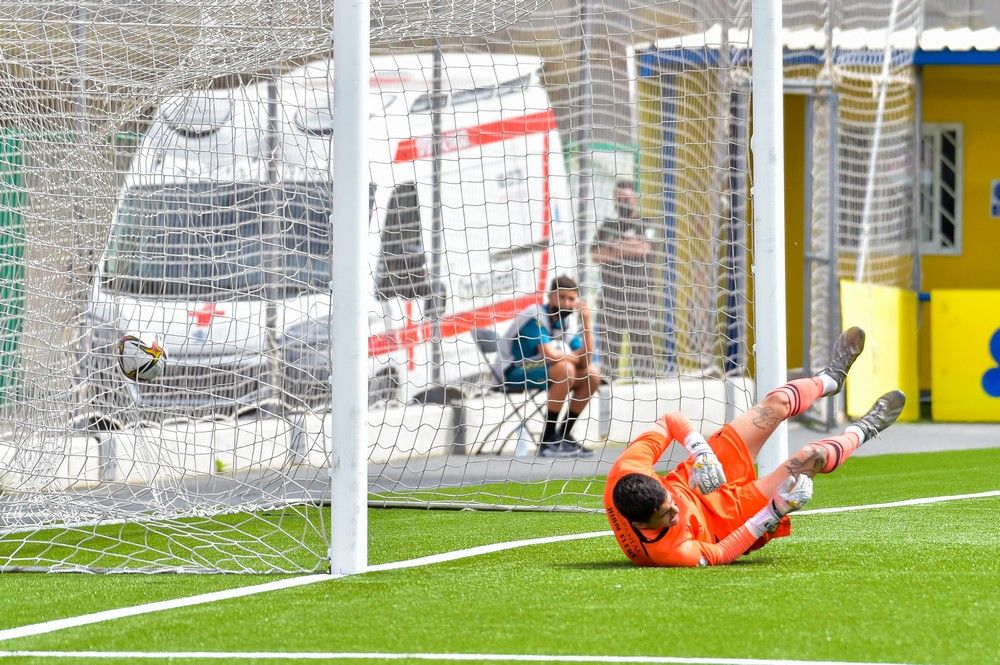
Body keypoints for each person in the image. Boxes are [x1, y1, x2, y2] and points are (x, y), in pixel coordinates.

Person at [603, 326, 906, 566]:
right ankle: (863, 430)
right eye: (667, 517)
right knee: (810, 456)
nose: (674, 513)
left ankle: (830, 379)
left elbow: (670, 420)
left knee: (777, 403)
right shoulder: (669, 553)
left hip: (695, 479)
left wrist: (701, 451)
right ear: (641, 524)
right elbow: (722, 553)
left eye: (669, 503)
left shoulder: (626, 470)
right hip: (727, 519)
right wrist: (773, 513)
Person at [496, 275, 603, 459]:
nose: (566, 303)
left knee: (592, 374)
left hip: (545, 371)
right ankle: (547, 440)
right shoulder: (535, 315)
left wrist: (586, 322)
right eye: (561, 297)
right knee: (566, 369)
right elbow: (550, 355)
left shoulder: (566, 323)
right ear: (550, 297)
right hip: (512, 372)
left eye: (571, 299)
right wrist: (575, 357)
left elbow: (586, 361)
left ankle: (563, 436)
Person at [590, 179, 657, 379]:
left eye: (626, 198)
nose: (622, 202)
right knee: (609, 360)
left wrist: (614, 246)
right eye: (618, 198)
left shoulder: (647, 223)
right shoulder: (607, 226)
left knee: (643, 358)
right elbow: (595, 255)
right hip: (612, 299)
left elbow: (645, 249)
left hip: (640, 298)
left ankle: (646, 387)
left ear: (634, 199)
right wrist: (626, 245)